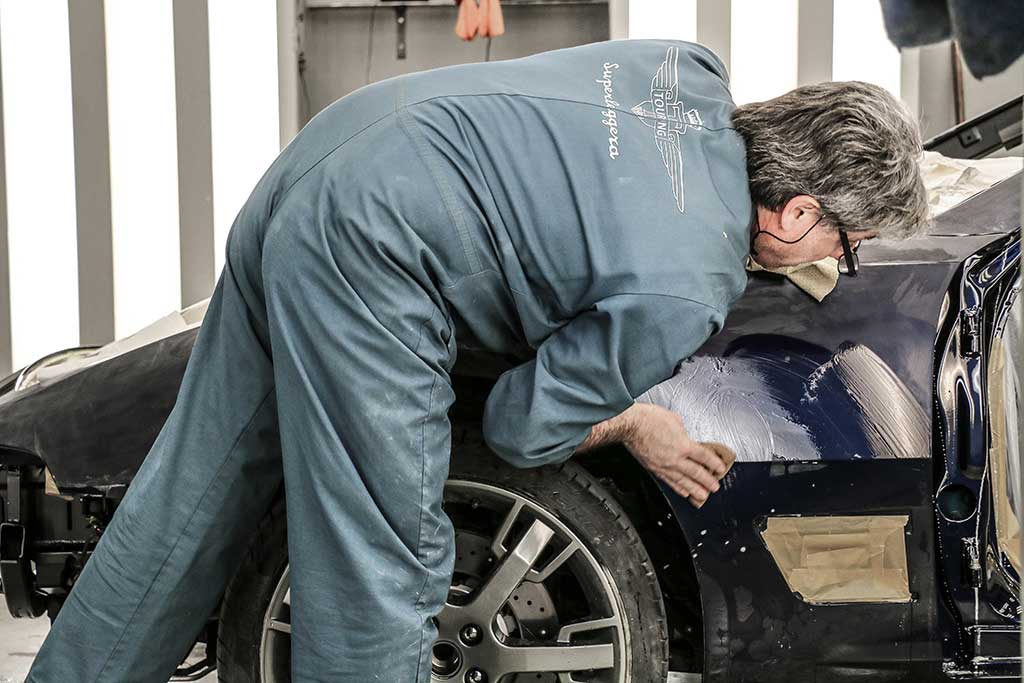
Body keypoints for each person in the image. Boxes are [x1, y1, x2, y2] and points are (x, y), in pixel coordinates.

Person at [26, 39, 928, 682]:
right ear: (798, 212)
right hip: (371, 251)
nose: (834, 263)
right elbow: (521, 425)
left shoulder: (685, 70)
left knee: (190, 501)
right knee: (384, 568)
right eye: (846, 245)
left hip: (322, 162)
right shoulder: (686, 289)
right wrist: (633, 421)